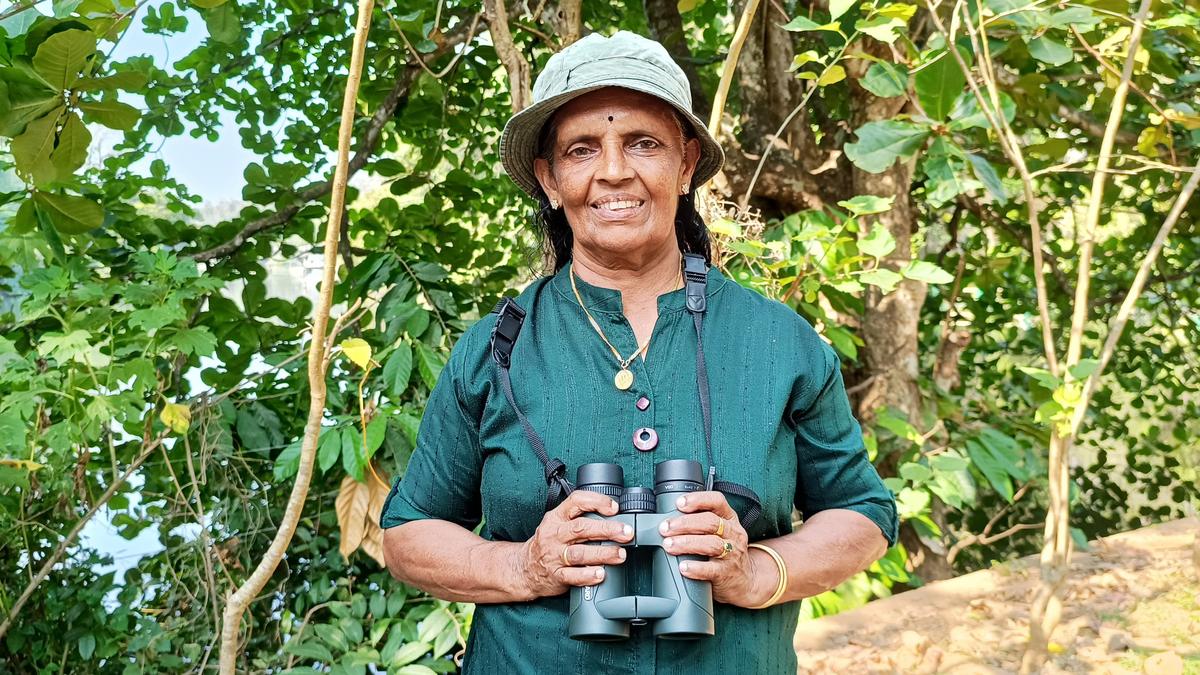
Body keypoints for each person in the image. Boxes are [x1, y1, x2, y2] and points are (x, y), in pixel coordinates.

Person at [381, 30, 898, 674]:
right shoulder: (494, 350)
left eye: (643, 143)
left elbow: (863, 512)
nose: (614, 171)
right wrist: (524, 564)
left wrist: (755, 570)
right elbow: (407, 533)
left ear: (685, 165)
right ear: (549, 178)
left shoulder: (778, 341)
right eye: (582, 149)